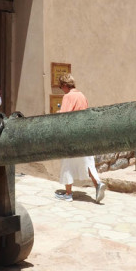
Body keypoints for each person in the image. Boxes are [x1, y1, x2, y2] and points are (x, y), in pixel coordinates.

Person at [54, 73, 106, 203]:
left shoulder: (68, 96)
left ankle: (68, 194)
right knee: (88, 162)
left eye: (61, 87)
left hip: (72, 135)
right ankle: (98, 183)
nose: (62, 90)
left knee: (67, 164)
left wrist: (57, 113)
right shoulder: (82, 96)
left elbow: (65, 116)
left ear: (65, 85)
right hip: (84, 134)